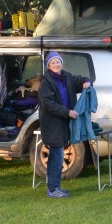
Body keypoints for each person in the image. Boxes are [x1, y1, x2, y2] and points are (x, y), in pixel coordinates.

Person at [38, 51, 91, 199]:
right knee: (56, 156)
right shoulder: (46, 82)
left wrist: (87, 82)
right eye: (53, 62)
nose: (56, 64)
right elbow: (49, 104)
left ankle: (55, 188)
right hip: (52, 124)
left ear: (62, 63)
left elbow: (82, 79)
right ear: (49, 65)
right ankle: (53, 190)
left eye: (58, 61)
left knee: (58, 155)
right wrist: (67, 112)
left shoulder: (67, 77)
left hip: (63, 123)